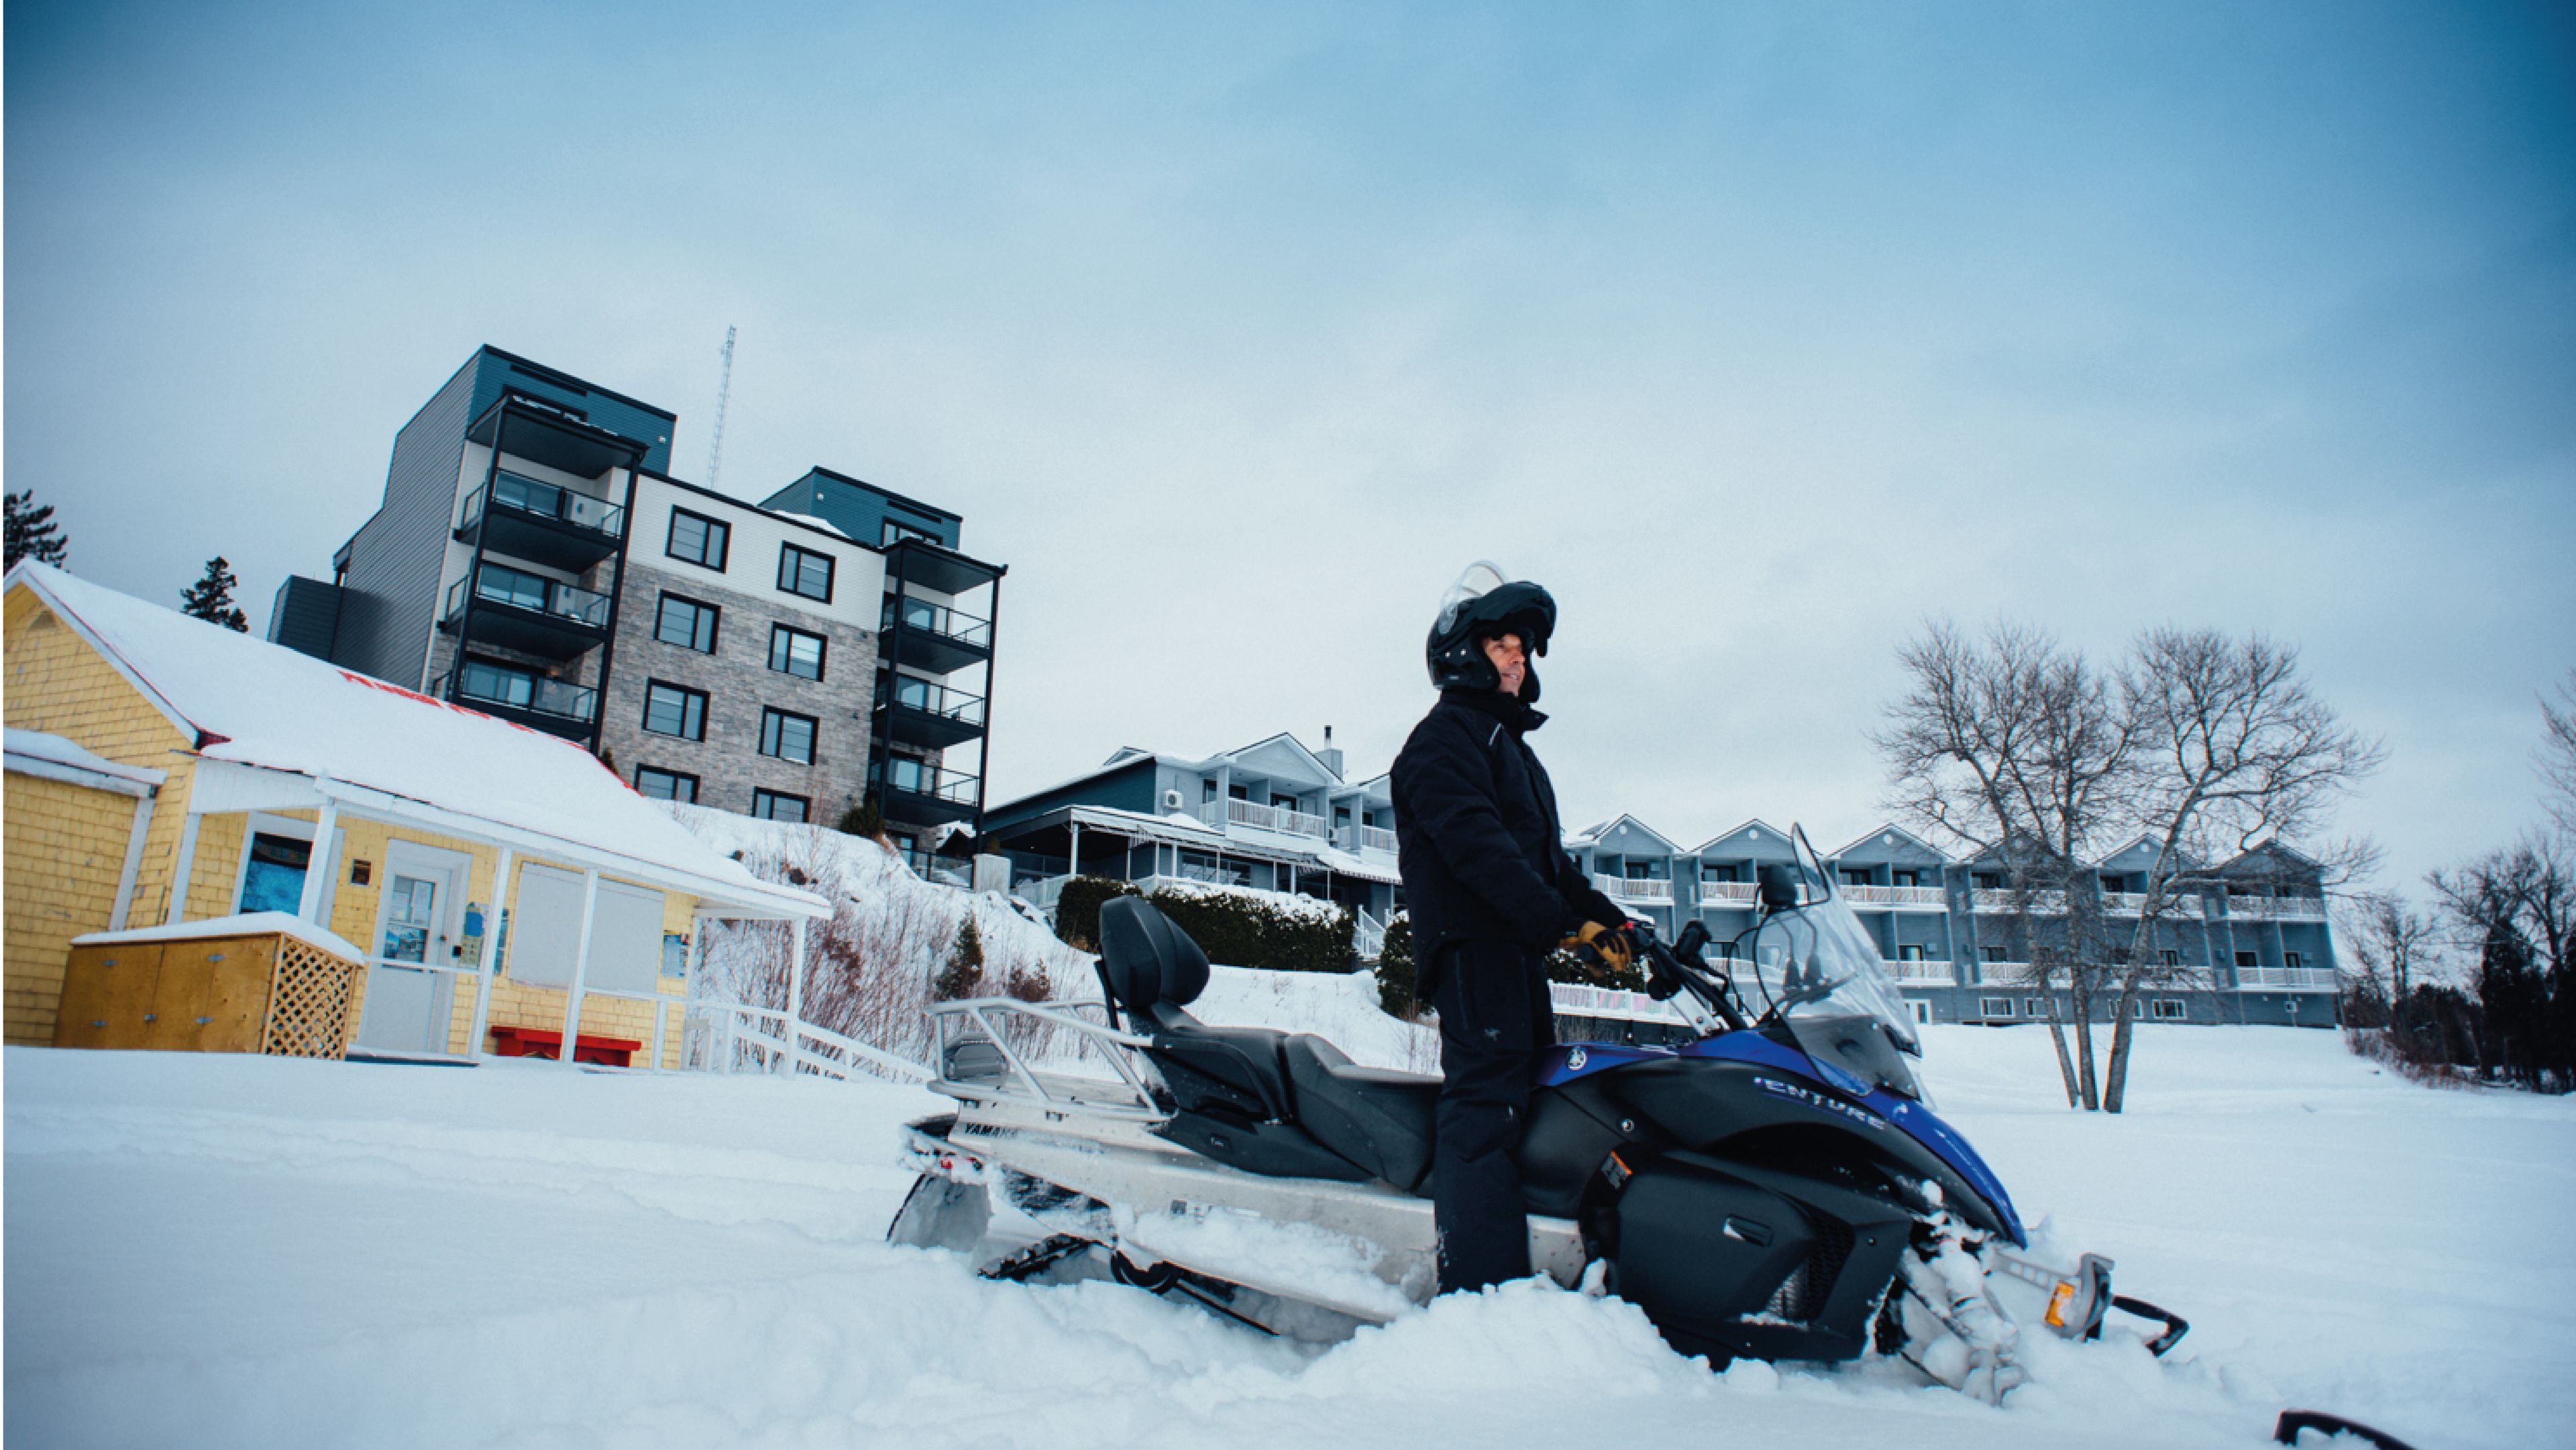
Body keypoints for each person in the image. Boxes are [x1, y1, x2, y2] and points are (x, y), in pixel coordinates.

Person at [1390, 563, 1636, 1295]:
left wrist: (1608, 920)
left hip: (1514, 950)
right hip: (1473, 949)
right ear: (1461, 650)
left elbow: (1547, 865)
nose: (1515, 659)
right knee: (1486, 1107)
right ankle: (1479, 1290)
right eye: (1501, 643)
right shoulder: (1442, 743)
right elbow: (1479, 850)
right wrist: (1560, 923)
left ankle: (1542, 1259)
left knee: (1535, 1092)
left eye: (1522, 650)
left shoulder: (1512, 751)